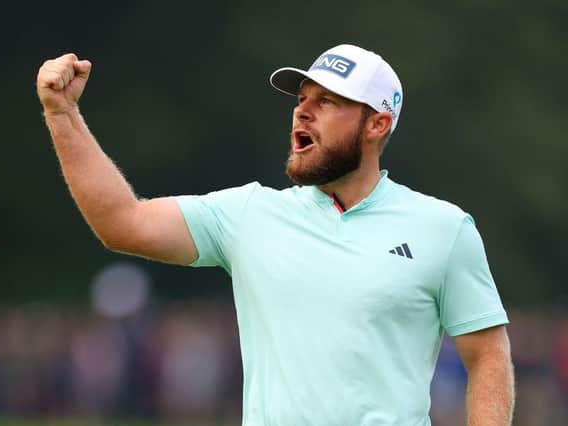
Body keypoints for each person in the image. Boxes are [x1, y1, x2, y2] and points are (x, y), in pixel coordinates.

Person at [37, 44, 515, 425]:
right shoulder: (248, 213)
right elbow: (122, 223)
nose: (302, 112)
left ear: (377, 124)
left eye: (327, 101)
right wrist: (62, 115)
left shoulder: (443, 228)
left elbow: (488, 356)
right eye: (302, 99)